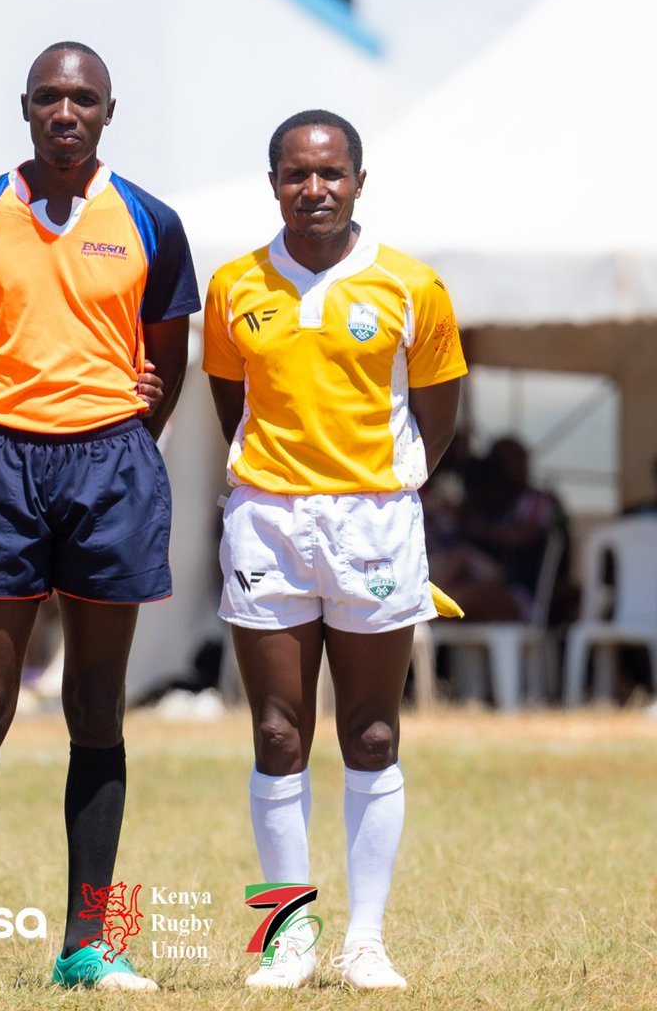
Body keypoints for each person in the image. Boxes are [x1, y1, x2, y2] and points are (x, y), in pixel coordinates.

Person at [0, 42, 199, 991]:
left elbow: (167, 356)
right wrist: (3, 431)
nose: (67, 112)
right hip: (4, 463)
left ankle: (90, 944)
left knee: (95, 707)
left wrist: (123, 427)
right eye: (51, 98)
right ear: (26, 108)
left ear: (110, 111)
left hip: (114, 463)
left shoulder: (151, 220)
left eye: (85, 99)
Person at [202, 110, 467, 991]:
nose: (313, 189)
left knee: (373, 730)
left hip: (374, 524)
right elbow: (227, 400)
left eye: (330, 173)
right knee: (278, 732)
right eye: (295, 174)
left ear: (359, 179)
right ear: (272, 181)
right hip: (268, 522)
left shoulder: (410, 285)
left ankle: (366, 941)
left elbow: (439, 412)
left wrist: (382, 485)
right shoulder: (235, 284)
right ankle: (286, 937)